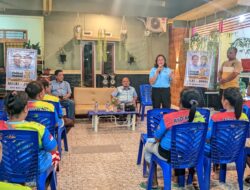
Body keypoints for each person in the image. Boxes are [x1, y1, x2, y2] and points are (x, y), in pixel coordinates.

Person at [140, 88, 205, 189]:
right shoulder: (201, 118)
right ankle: (179, 177)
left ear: (180, 102)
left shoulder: (170, 117)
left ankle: (153, 181)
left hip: (169, 154)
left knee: (148, 146)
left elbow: (157, 138)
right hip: (192, 154)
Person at [2, 91, 59, 174]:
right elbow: (53, 148)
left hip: (6, 169)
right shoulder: (38, 128)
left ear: (7, 109)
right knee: (55, 154)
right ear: (25, 109)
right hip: (34, 169)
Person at [204, 88, 249, 182]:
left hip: (217, 152)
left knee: (203, 147)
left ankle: (208, 178)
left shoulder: (216, 117)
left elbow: (208, 136)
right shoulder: (244, 117)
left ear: (226, 102)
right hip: (236, 151)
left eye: (222, 97)